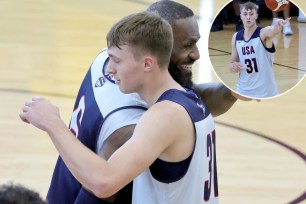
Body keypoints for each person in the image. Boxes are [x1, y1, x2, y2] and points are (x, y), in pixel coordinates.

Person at [44, 1, 239, 204]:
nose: (196, 54)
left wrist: (51, 122)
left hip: (66, 189)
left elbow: (102, 185)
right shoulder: (152, 114)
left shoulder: (115, 58)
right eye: (187, 45)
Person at [230, 1, 290, 98]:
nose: (248, 17)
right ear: (241, 16)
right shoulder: (236, 37)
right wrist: (233, 66)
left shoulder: (263, 33)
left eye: (251, 14)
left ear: (256, 16)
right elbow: (232, 64)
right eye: (245, 14)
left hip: (266, 92)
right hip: (243, 90)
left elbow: (271, 31)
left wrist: (278, 25)